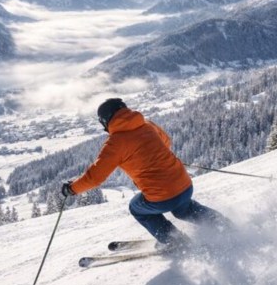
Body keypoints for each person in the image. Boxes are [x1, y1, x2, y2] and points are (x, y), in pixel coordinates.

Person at [61, 98, 230, 251]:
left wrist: (72, 189)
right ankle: (223, 225)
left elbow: (95, 177)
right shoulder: (147, 125)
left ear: (105, 121)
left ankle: (175, 241)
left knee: (138, 208)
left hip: (162, 195)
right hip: (185, 185)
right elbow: (166, 141)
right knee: (183, 209)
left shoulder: (115, 143)